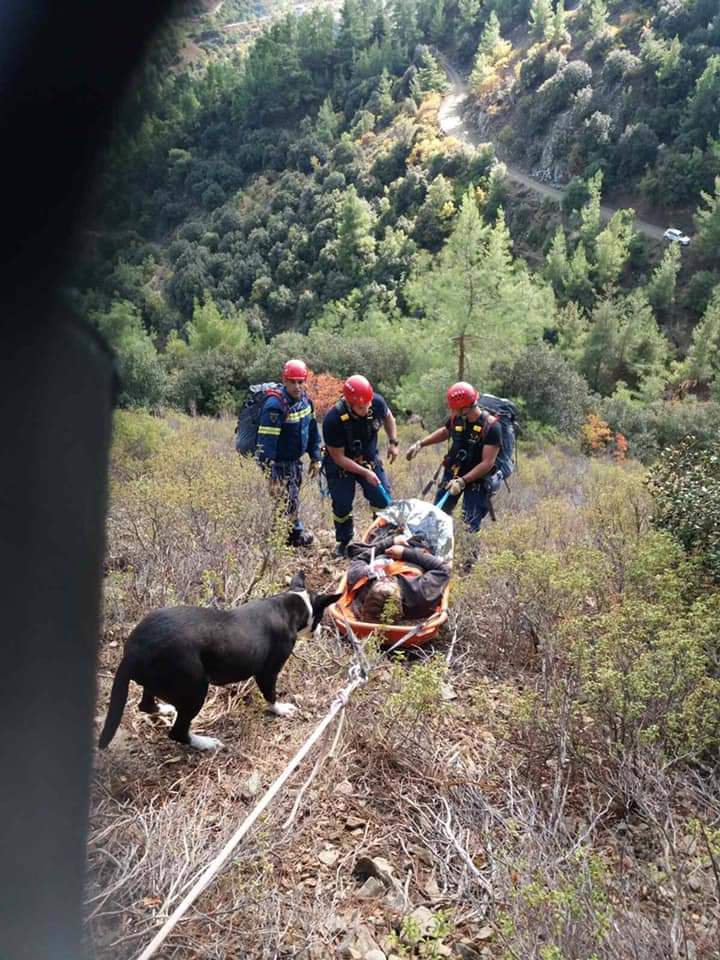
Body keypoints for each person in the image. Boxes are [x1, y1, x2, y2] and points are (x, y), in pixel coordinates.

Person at [406, 381, 502, 531]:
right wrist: (421, 444)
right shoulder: (456, 418)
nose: (453, 412)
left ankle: (469, 553)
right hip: (454, 472)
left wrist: (463, 481)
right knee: (437, 516)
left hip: (477, 479)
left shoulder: (491, 427)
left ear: (466, 408)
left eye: (456, 409)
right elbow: (445, 431)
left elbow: (487, 463)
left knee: (469, 524)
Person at [322, 374, 399, 557]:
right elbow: (339, 457)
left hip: (368, 457)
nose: (366, 410)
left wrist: (393, 442)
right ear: (349, 404)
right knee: (342, 504)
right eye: (360, 407)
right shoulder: (333, 420)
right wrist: (364, 473)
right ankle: (345, 541)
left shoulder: (376, 403)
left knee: (381, 498)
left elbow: (389, 418)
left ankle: (380, 538)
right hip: (341, 463)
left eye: (368, 405)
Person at [255, 358, 321, 547]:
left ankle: (292, 536)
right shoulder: (275, 407)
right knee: (282, 501)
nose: (297, 386)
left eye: (300, 381)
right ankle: (282, 541)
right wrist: (270, 474)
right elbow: (265, 445)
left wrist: (316, 457)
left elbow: (313, 431)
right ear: (284, 381)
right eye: (292, 381)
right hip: (278, 463)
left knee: (292, 497)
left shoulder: (306, 402)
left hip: (294, 461)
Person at [346, 535, 450, 623]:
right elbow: (444, 570)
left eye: (380, 581)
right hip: (418, 545)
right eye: (390, 582)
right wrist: (405, 552)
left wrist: (390, 541)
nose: (386, 578)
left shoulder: (361, 580)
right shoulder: (420, 595)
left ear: (369, 593)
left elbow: (360, 558)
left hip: (390, 542)